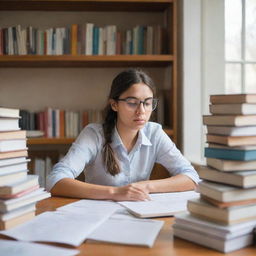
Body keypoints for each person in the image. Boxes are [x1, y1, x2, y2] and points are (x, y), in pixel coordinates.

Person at [46, 68, 199, 201]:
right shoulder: (94, 135)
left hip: (140, 215)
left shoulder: (155, 133)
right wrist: (115, 192)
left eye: (147, 103)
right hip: (98, 216)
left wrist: (145, 186)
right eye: (132, 102)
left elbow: (191, 177)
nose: (141, 111)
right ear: (114, 104)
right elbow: (55, 180)